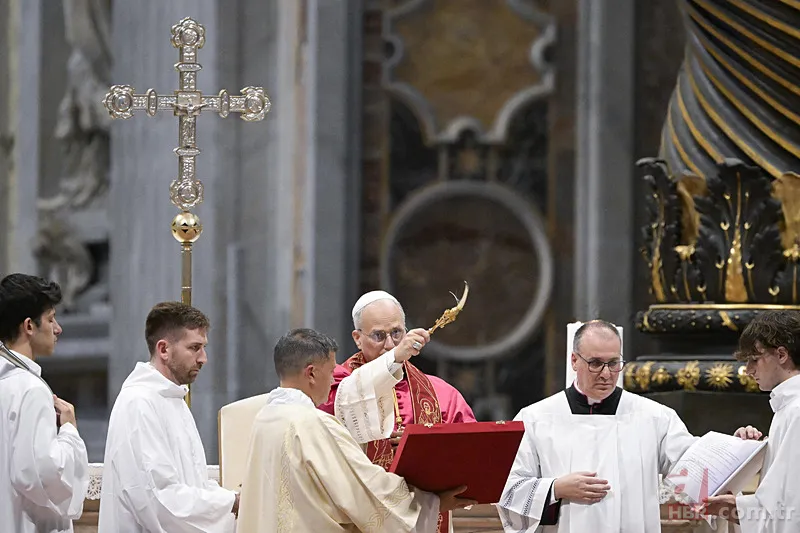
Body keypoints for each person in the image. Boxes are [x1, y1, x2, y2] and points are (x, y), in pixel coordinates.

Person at [497, 319, 761, 532]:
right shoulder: (535, 418)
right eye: (596, 363)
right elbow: (509, 488)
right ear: (574, 360)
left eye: (613, 363)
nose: (606, 373)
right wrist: (555, 489)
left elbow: (694, 471)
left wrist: (736, 447)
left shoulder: (655, 417)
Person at [237, 328, 476, 532]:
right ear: (311, 373)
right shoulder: (312, 424)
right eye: (331, 372)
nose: (333, 382)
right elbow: (363, 489)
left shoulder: (265, 418)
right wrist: (431, 504)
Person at [319, 291, 476, 532]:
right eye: (379, 336)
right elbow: (325, 423)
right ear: (357, 338)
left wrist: (423, 445)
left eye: (396, 333)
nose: (390, 344)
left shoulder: (441, 393)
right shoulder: (338, 385)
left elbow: (470, 450)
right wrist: (392, 360)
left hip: (427, 516)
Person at [98, 302, 238, 533]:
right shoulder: (139, 403)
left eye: (203, 348)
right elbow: (159, 498)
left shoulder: (172, 399)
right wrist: (231, 503)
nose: (203, 359)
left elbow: (192, 484)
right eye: (194, 348)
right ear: (163, 349)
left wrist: (233, 498)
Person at [0, 273, 89, 533]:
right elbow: (44, 475)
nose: (58, 328)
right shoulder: (30, 388)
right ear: (29, 326)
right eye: (51, 319)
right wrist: (70, 431)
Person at [704, 310, 800, 532]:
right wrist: (753, 453)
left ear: (782, 354)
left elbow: (790, 506)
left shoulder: (796, 411)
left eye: (754, 359)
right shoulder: (786, 408)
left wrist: (736, 507)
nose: (748, 371)